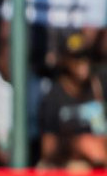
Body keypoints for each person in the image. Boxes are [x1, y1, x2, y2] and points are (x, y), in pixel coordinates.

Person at [38, 32, 106, 168]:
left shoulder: (99, 85)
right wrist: (78, 145)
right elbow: (48, 149)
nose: (83, 62)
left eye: (86, 56)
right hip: (68, 164)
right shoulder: (54, 97)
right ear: (65, 61)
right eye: (77, 57)